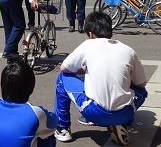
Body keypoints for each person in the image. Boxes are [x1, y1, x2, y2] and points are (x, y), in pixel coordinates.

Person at [53, 11, 148, 146]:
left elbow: (64, 68)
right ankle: (123, 124)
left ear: (91, 34)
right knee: (141, 91)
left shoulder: (89, 44)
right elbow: (142, 83)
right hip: (125, 113)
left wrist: (83, 70)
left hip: (94, 113)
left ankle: (62, 129)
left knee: (62, 78)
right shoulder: (129, 50)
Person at [0, 61, 58, 147]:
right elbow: (53, 124)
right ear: (31, 87)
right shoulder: (36, 113)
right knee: (46, 135)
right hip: (40, 120)